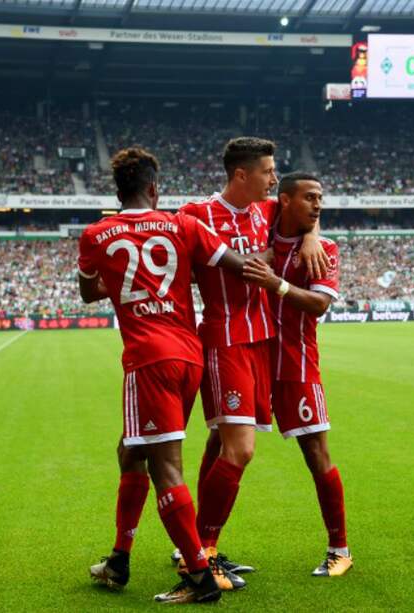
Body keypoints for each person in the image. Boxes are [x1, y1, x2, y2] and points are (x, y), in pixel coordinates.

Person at [78, 147, 249, 603]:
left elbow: (88, 291)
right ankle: (119, 558)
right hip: (189, 356)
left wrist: (120, 278)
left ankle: (198, 576)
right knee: (130, 450)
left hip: (147, 359)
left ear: (118, 192)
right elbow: (235, 263)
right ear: (154, 189)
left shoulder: (96, 234)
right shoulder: (183, 224)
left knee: (164, 466)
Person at [175, 137, 328, 578]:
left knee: (220, 442)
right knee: (239, 451)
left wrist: (313, 236)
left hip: (264, 342)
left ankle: (199, 544)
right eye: (266, 170)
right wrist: (254, 259)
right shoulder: (196, 214)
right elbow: (224, 263)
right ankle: (200, 552)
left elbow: (307, 209)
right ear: (241, 174)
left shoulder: (267, 210)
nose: (273, 177)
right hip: (226, 340)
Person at [242, 172, 351, 577]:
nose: (318, 205)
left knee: (316, 454)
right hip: (250, 359)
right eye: (310, 198)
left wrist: (278, 284)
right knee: (223, 446)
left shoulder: (323, 248)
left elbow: (320, 304)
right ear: (284, 201)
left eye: (321, 198)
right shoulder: (258, 229)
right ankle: (202, 546)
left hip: (297, 365)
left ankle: (339, 549)